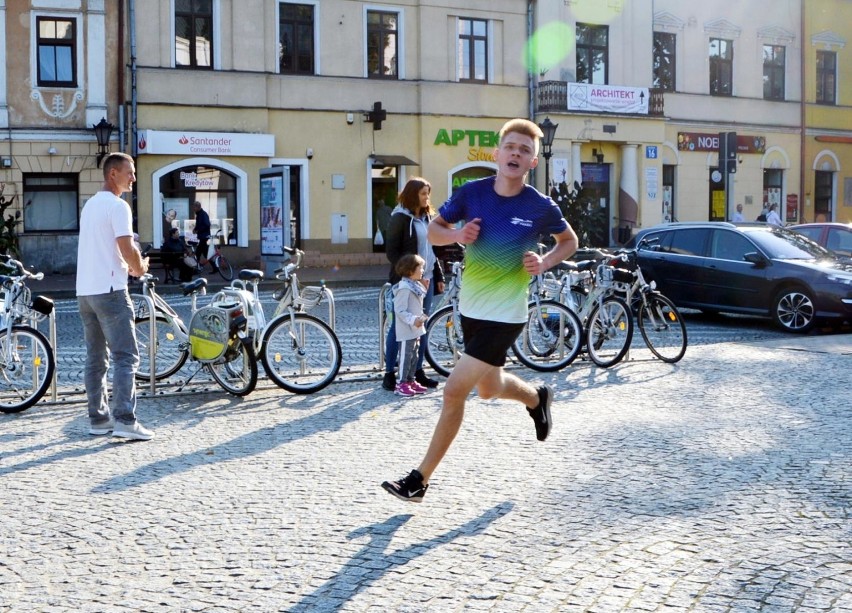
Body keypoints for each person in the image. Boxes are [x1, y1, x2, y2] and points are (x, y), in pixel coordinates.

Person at [381, 118, 579, 502]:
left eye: (525, 150)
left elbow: (568, 240)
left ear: (533, 162)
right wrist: (456, 235)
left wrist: (546, 261)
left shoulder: (540, 206)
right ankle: (537, 398)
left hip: (506, 313)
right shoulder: (472, 193)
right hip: (471, 308)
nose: (516, 154)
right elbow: (434, 230)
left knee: (454, 390)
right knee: (489, 388)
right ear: (497, 153)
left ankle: (419, 480)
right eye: (510, 147)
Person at [76, 152, 153, 441]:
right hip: (110, 290)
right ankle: (124, 420)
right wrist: (139, 267)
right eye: (130, 172)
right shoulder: (118, 206)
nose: (133, 177)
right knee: (125, 356)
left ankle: (98, 419)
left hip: (85, 290)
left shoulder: (90, 205)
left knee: (96, 358)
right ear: (113, 174)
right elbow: (125, 245)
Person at [382, 177, 445, 392]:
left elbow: (432, 250)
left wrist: (439, 276)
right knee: (399, 327)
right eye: (423, 194)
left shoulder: (428, 217)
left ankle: (415, 372)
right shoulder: (399, 218)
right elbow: (392, 252)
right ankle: (390, 373)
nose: (427, 197)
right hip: (405, 282)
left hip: (426, 280)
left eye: (428, 193)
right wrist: (409, 275)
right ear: (412, 195)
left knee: (420, 326)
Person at [392, 254, 430, 398]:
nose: (422, 271)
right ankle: (401, 383)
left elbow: (417, 301)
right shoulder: (404, 288)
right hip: (407, 328)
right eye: (420, 268)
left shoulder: (414, 285)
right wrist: (413, 319)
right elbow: (399, 310)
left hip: (415, 328)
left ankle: (410, 379)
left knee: (414, 355)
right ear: (410, 271)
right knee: (406, 356)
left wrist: (425, 288)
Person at [193, 201, 216, 273]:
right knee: (205, 253)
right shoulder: (199, 215)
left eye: (194, 207)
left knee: (198, 253)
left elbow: (207, 225)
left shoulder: (203, 214)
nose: (193, 209)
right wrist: (195, 229)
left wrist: (198, 230)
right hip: (202, 236)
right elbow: (199, 224)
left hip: (204, 237)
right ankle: (215, 268)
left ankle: (197, 269)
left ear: (198, 207)